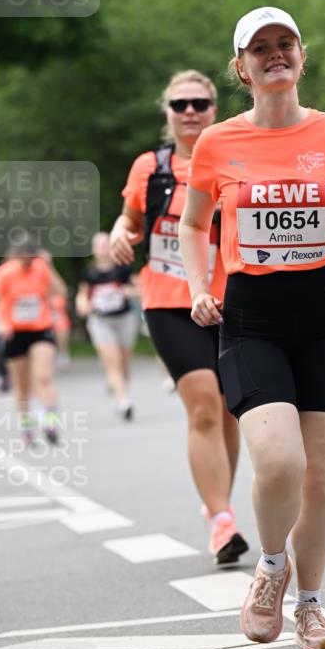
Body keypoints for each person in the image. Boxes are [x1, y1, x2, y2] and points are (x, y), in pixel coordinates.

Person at [179, 7, 325, 649]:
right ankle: (271, 566)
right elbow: (191, 224)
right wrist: (198, 285)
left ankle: (312, 608)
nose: (275, 54)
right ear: (240, 68)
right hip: (251, 317)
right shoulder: (217, 142)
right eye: (259, 48)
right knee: (279, 460)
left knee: (318, 475)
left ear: (301, 55)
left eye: (284, 43)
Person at [110, 70, 248, 563]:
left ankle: (220, 505)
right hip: (169, 301)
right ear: (167, 112)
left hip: (232, 299)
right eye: (180, 104)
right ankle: (219, 520)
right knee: (205, 406)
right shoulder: (150, 166)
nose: (190, 111)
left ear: (214, 108)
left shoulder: (235, 155)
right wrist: (119, 234)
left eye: (200, 103)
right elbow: (129, 219)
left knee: (233, 410)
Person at [0, 235, 67, 445]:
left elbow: (61, 292)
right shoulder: (5, 273)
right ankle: (26, 427)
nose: (27, 264)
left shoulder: (41, 268)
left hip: (41, 330)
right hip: (15, 332)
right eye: (23, 260)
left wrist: (51, 267)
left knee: (44, 378)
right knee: (21, 385)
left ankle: (51, 423)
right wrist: (0, 322)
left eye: (30, 259)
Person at [76, 232, 139, 420]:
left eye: (106, 244)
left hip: (124, 319)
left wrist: (130, 291)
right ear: (94, 250)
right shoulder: (90, 273)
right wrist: (82, 305)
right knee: (112, 363)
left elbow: (140, 288)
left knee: (123, 362)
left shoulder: (124, 268)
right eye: (100, 245)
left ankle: (121, 391)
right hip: (101, 321)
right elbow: (82, 294)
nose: (103, 248)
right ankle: (123, 401)